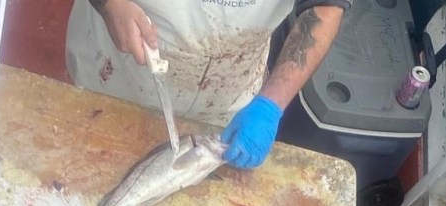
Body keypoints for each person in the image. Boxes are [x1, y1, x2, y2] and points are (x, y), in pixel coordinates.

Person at [67, 0, 349, 169]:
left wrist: (270, 105)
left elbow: (325, 8)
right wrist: (109, 4)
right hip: (118, 72)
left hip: (230, 95)